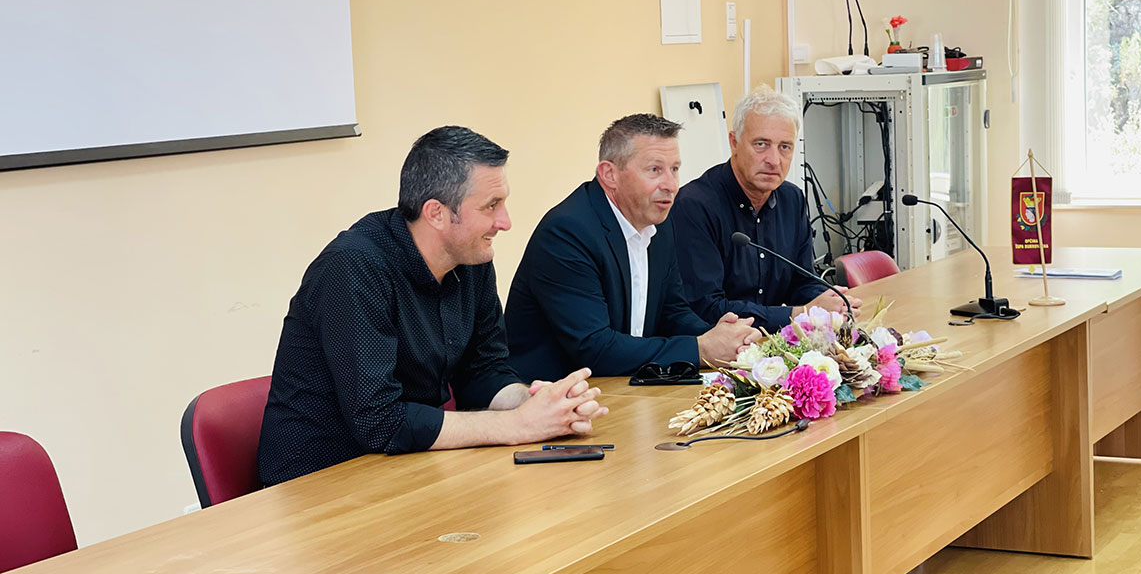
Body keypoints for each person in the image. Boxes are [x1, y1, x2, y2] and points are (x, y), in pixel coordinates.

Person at [258, 126, 607, 486]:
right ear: (436, 213)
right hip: (321, 483)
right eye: (491, 206)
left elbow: (483, 372)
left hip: (406, 469)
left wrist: (537, 404)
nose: (505, 222)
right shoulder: (353, 267)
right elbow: (379, 421)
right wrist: (515, 425)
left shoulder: (471, 258)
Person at [505, 114, 759, 380]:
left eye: (674, 169)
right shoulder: (568, 233)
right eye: (655, 170)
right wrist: (701, 348)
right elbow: (594, 348)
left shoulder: (658, 223)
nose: (671, 185)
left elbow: (672, 312)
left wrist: (719, 336)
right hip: (554, 392)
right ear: (610, 175)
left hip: (623, 386)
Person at [672, 85, 862, 332]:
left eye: (785, 147)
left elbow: (802, 282)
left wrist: (831, 303)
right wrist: (800, 313)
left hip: (773, 342)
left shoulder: (792, 199)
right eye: (761, 144)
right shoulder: (694, 206)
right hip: (716, 346)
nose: (774, 160)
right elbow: (707, 308)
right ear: (734, 143)